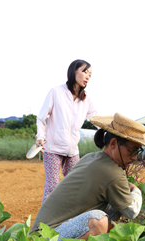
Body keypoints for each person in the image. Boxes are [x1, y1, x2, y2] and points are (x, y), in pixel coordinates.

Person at [31, 113, 145, 241]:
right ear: (114, 144)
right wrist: (136, 190)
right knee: (97, 220)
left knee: (117, 205)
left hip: (41, 236)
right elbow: (132, 211)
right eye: (131, 150)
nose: (135, 157)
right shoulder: (112, 172)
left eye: (138, 151)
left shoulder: (92, 157)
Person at [36, 59, 99, 203]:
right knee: (52, 187)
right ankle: (43, 224)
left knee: (75, 187)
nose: (88, 76)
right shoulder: (56, 92)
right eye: (85, 72)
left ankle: (69, 221)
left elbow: (97, 120)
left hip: (72, 151)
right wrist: (41, 136)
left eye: (90, 74)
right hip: (52, 149)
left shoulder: (87, 99)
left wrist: (111, 133)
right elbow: (41, 118)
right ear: (73, 71)